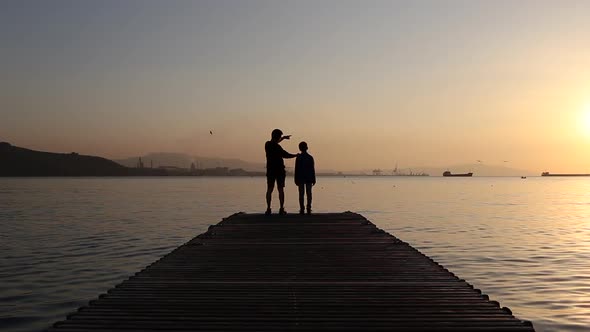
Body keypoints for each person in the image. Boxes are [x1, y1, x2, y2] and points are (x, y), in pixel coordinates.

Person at [265, 129, 297, 215]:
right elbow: (286, 155)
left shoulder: (267, 144)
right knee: (280, 189)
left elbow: (275, 142)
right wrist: (295, 155)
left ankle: (268, 209)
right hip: (279, 170)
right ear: (278, 137)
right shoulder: (278, 147)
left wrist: (283, 138)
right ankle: (281, 208)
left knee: (269, 189)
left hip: (270, 170)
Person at [294, 141, 316, 215]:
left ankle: (302, 208)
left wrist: (295, 179)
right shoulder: (310, 157)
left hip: (300, 178)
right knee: (309, 193)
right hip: (309, 178)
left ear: (300, 148)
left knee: (301, 194)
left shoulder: (298, 158)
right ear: (307, 148)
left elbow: (296, 169)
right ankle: (308, 207)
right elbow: (312, 169)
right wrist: (314, 179)